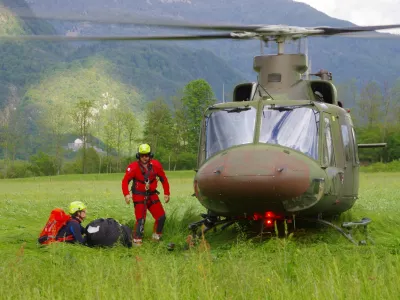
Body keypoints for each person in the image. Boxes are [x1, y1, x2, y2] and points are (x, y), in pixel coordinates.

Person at [121, 143, 170, 246]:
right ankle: (137, 239)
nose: (144, 157)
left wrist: (167, 193)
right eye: (142, 155)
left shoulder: (156, 165)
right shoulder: (133, 167)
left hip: (152, 195)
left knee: (161, 217)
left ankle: (156, 237)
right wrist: (126, 194)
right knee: (141, 219)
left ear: (150, 155)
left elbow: (163, 179)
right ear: (138, 156)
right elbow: (125, 181)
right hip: (139, 195)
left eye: (146, 155)